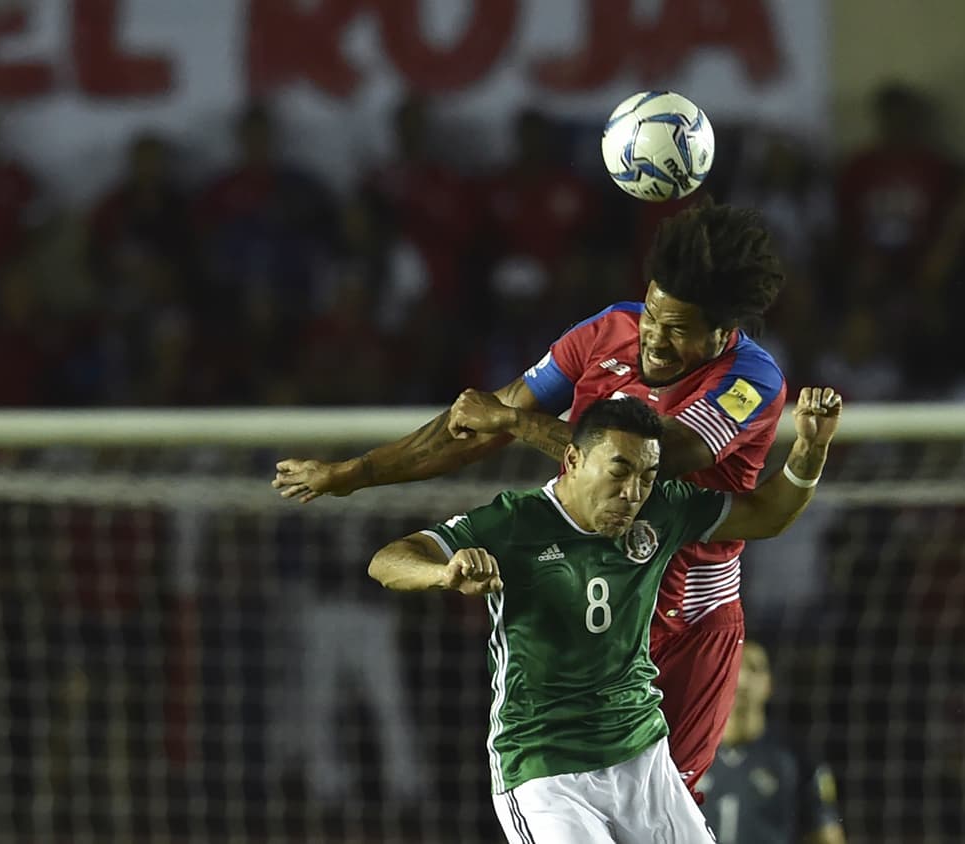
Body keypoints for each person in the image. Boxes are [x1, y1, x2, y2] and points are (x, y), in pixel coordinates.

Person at [274, 199, 787, 798]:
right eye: (652, 314)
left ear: (721, 332)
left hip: (689, 618)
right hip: (589, 605)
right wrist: (355, 473)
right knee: (564, 795)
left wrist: (514, 422)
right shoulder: (606, 333)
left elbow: (656, 458)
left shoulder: (751, 379)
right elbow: (476, 425)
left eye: (678, 329)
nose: (655, 337)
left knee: (663, 808)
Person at [366, 391, 842, 843]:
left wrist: (811, 448)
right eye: (619, 471)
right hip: (546, 768)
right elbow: (388, 560)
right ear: (574, 460)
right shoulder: (515, 522)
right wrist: (443, 572)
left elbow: (766, 514)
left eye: (647, 475)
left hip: (641, 756)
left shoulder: (662, 509)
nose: (632, 492)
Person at [698, 641, 847, 844]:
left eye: (754, 668)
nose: (742, 679)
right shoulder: (685, 753)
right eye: (732, 667)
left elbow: (827, 836)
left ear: (770, 683)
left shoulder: (795, 757)